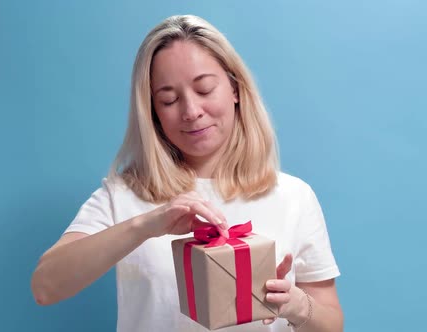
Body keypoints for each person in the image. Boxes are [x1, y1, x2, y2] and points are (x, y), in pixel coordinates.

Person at [31, 14, 343, 332]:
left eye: (205, 89)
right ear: (152, 112)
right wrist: (146, 225)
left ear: (235, 89)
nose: (191, 111)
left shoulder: (294, 196)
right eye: (169, 99)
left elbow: (332, 323)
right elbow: (45, 287)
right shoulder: (124, 195)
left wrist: (298, 307)